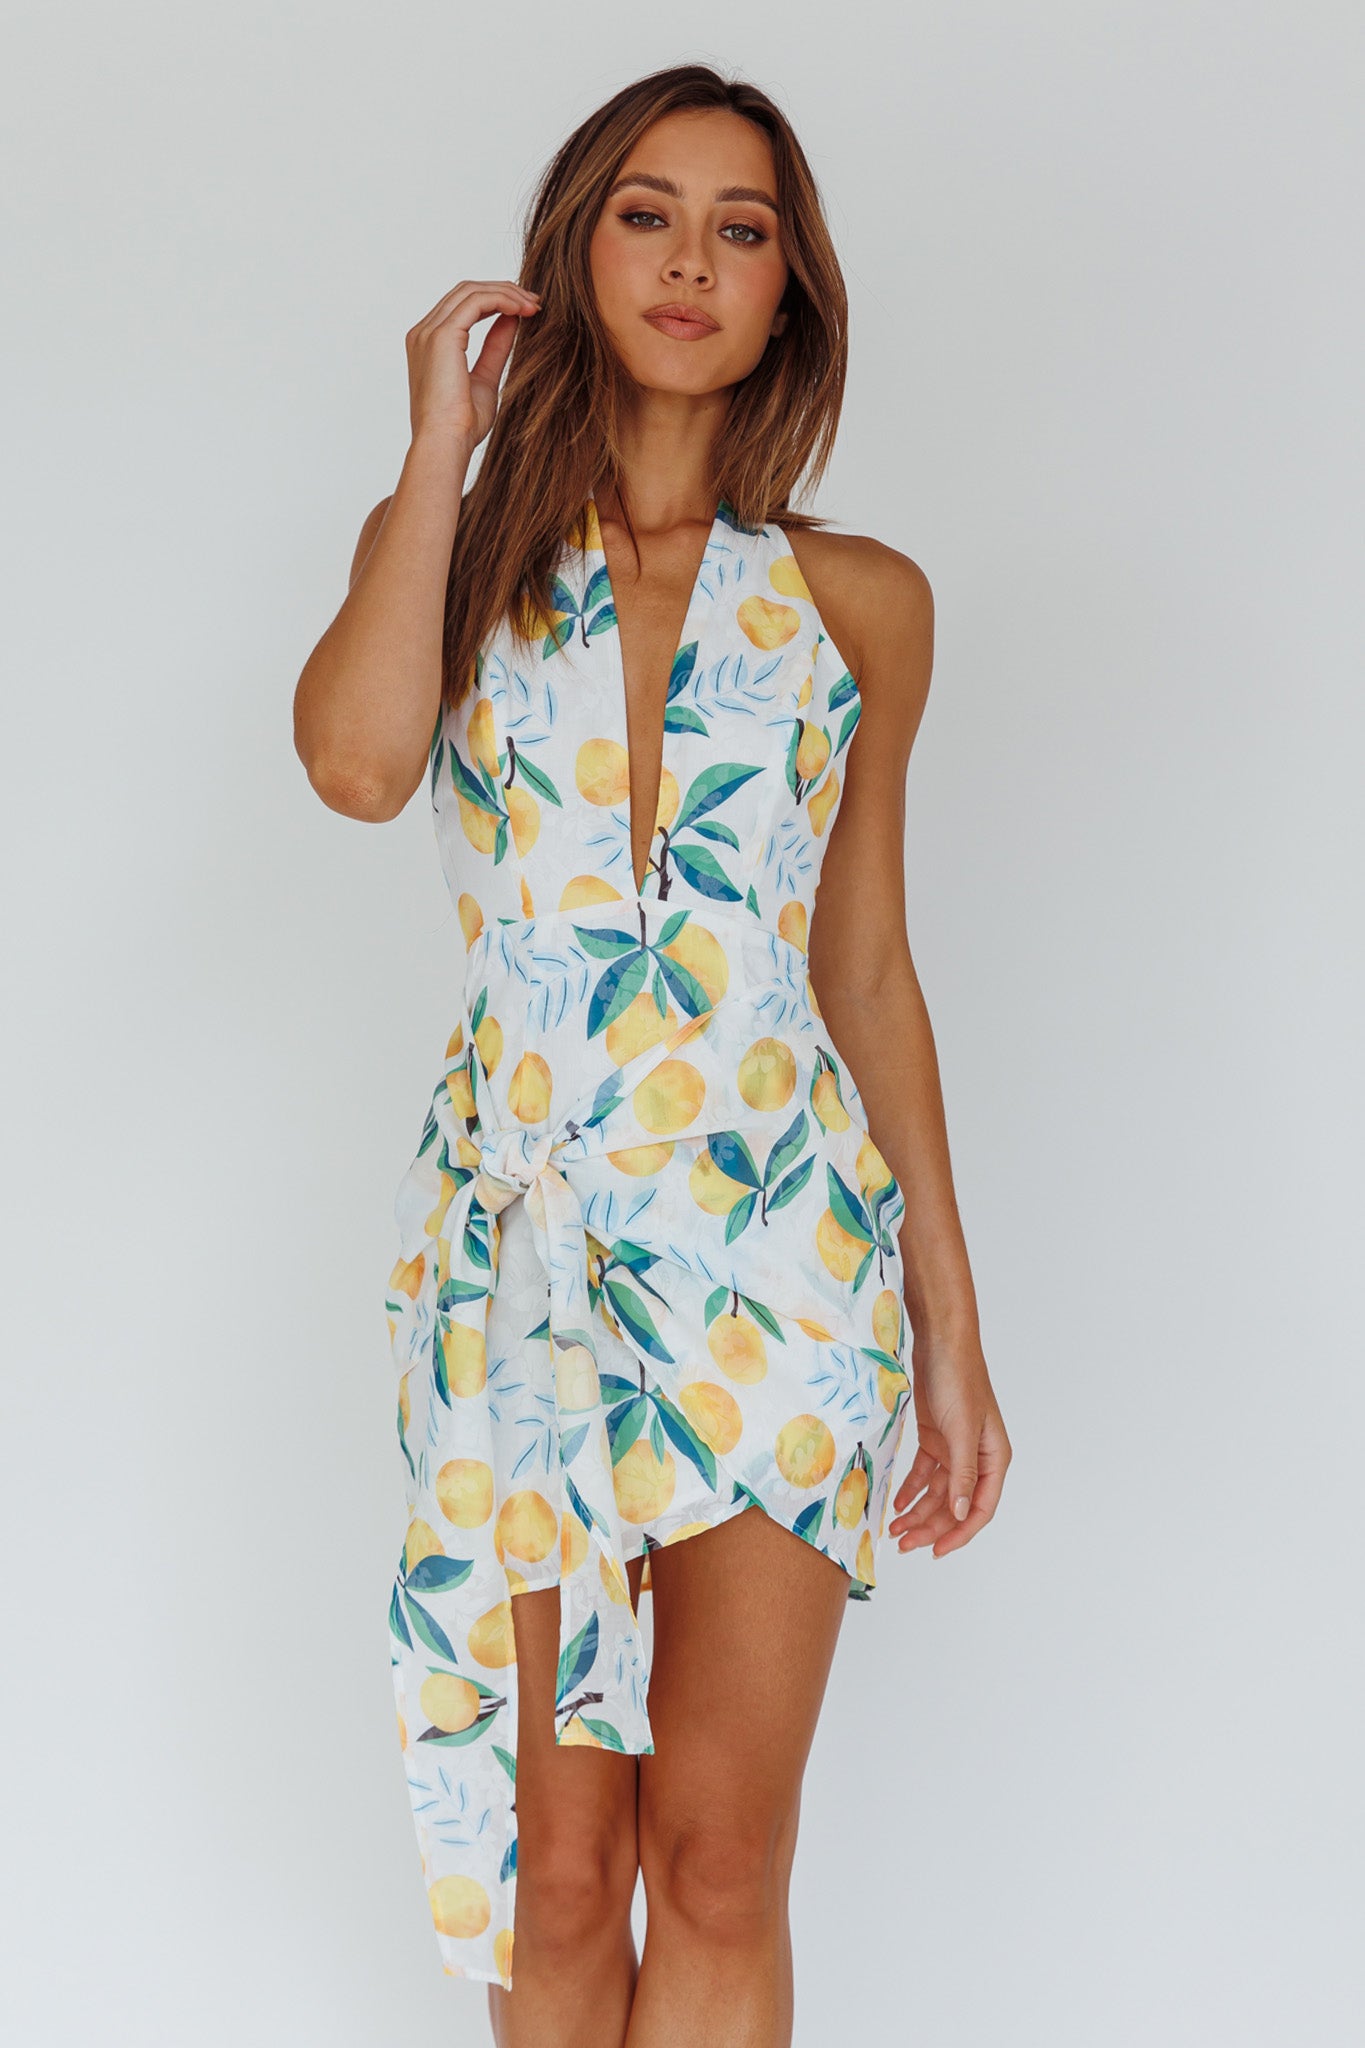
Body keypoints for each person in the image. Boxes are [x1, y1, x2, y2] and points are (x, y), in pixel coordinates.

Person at [294, 61, 1010, 2048]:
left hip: (780, 1265)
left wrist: (947, 1327)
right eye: (645, 213)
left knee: (712, 1860)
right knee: (559, 1864)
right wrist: (439, 445)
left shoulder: (858, 606)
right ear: (571, 254)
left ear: (788, 296)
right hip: (526, 1262)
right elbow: (356, 766)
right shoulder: (449, 554)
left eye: (740, 228)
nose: (690, 260)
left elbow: (864, 969)